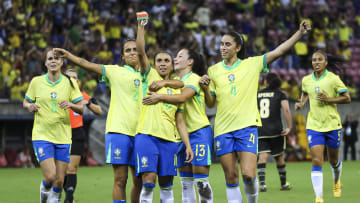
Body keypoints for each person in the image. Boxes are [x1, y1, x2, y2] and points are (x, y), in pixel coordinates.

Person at [199, 20, 311, 203]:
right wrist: (205, 89)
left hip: (247, 127)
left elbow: (279, 51)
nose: (222, 47)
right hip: (222, 129)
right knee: (231, 176)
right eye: (221, 44)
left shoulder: (252, 64)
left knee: (249, 175)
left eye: (227, 44)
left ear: (238, 47)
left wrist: (299, 33)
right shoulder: (213, 70)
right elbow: (211, 104)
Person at [54, 42, 144, 203]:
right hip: (119, 131)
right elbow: (86, 64)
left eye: (135, 50)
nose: (132, 53)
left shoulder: (148, 74)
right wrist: (68, 56)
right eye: (127, 50)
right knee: (120, 179)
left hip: (142, 133)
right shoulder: (115, 71)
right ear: (123, 56)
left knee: (139, 181)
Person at [135, 14, 194, 203]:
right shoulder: (149, 76)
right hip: (146, 136)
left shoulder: (177, 87)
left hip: (170, 140)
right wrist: (141, 27)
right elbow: (141, 51)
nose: (162, 63)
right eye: (159, 60)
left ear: (171, 65)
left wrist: (187, 145)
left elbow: (180, 120)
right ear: (153, 64)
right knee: (149, 180)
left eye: (166, 61)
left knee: (167, 184)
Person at [143, 47, 214, 202]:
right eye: (175, 56)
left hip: (198, 131)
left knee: (201, 181)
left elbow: (182, 98)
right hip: (179, 135)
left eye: (179, 56)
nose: (175, 59)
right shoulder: (175, 80)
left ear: (190, 62)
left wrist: (159, 96)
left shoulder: (194, 78)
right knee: (186, 183)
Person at [23, 49, 84, 203]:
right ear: (45, 63)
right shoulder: (36, 82)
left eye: (56, 59)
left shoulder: (69, 83)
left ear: (61, 62)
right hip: (42, 134)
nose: (53, 61)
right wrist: (29, 106)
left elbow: (81, 108)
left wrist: (70, 104)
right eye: (50, 58)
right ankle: (44, 189)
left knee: (59, 181)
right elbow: (25, 102)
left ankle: (53, 199)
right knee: (51, 176)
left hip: (63, 136)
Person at [295, 50, 351, 203]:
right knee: (317, 161)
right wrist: (301, 103)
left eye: (320, 59)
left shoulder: (333, 79)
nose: (316, 62)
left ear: (326, 62)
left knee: (333, 161)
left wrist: (329, 99)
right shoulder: (306, 80)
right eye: (314, 60)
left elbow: (347, 98)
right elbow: (305, 93)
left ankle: (336, 182)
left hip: (332, 124)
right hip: (314, 125)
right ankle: (319, 197)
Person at [63, 69, 102, 203]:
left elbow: (99, 111)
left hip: (76, 133)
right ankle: (63, 194)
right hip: (60, 133)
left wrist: (89, 103)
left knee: (72, 168)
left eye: (75, 78)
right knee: (61, 172)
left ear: (78, 81)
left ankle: (69, 199)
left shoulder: (82, 95)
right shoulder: (58, 95)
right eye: (69, 78)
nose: (72, 80)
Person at [257, 73, 293, 192]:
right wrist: (289, 127)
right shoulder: (280, 94)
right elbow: (286, 110)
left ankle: (262, 184)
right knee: (279, 157)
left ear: (266, 82)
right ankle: (283, 184)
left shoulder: (257, 94)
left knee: (262, 157)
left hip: (260, 130)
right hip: (276, 130)